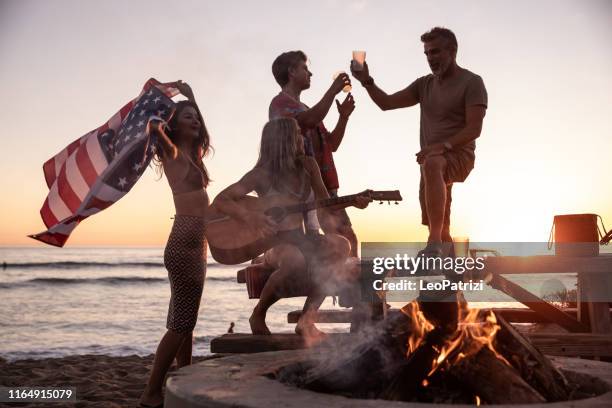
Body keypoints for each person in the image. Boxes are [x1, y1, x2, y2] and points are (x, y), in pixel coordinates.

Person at [214, 117, 371, 338]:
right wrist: (252, 218)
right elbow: (222, 200)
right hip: (276, 242)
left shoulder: (308, 166)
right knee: (294, 259)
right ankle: (258, 314)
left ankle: (307, 318)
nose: (302, 138)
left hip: (305, 237)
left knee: (341, 246)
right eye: (297, 133)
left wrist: (354, 201)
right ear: (283, 140)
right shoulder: (261, 175)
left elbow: (326, 204)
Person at [351, 27, 487, 257]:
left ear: (452, 51)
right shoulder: (424, 85)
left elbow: (474, 128)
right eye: (427, 53)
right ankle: (446, 262)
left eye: (436, 52)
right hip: (431, 163)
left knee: (433, 165)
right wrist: (367, 81)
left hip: (458, 155)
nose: (431, 58)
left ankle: (433, 244)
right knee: (441, 220)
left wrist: (442, 146)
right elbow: (386, 103)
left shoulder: (472, 82)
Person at [139, 82, 211, 408]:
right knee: (181, 323)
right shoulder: (174, 153)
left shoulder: (194, 154)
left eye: (196, 117)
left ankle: (185, 378)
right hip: (185, 240)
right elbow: (157, 134)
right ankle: (152, 392)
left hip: (197, 242)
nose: (195, 121)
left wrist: (193, 97)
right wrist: (155, 125)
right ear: (175, 123)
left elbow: (203, 131)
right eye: (188, 117)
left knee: (186, 320)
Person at [269, 51, 361, 257]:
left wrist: (343, 117)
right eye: (305, 68)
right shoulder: (280, 103)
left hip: (325, 188)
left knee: (348, 239)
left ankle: (351, 289)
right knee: (310, 251)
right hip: (299, 189)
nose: (310, 74)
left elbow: (332, 144)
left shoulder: (309, 108)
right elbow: (307, 120)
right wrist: (333, 90)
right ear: (291, 72)